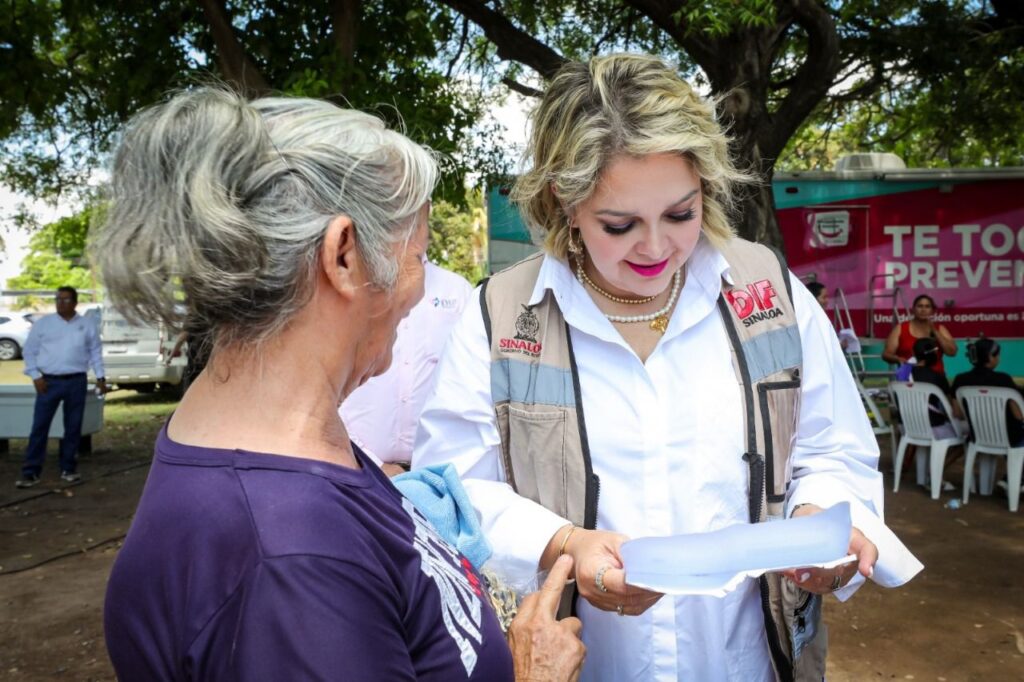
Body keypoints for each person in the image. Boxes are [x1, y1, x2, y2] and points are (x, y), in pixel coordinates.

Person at [414, 54, 921, 682]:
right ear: (563, 201)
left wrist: (820, 520)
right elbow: (455, 489)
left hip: (749, 660)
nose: (655, 248)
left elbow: (832, 447)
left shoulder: (766, 291)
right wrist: (564, 544)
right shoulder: (500, 316)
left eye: (680, 214)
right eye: (619, 224)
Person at [96, 88, 584, 681]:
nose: (422, 290)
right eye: (418, 257)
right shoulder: (288, 559)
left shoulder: (283, 441)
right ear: (344, 255)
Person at [340, 260, 472, 475]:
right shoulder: (351, 286)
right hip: (357, 468)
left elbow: (470, 391)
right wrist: (373, 463)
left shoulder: (457, 291)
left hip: (439, 474)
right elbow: (326, 392)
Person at [15, 286, 107, 488]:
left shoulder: (86, 324)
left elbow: (95, 352)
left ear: (75, 303)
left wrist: (101, 377)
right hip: (48, 382)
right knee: (40, 426)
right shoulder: (44, 324)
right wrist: (35, 375)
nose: (61, 303)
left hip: (76, 381)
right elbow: (29, 351)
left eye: (65, 300)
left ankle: (69, 469)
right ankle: (30, 472)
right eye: (58, 299)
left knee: (73, 427)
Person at [952, 338, 1024, 447]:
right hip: (1009, 438)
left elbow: (958, 413)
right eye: (998, 355)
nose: (999, 358)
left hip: (977, 436)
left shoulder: (960, 380)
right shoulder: (1003, 379)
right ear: (990, 357)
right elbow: (1019, 415)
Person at [882, 294, 956, 373]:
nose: (923, 310)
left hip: (935, 377)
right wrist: (898, 359)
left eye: (927, 306)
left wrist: (935, 331)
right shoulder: (900, 328)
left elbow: (951, 352)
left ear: (932, 311)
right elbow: (886, 354)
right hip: (909, 376)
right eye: (920, 306)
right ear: (913, 309)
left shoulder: (939, 329)